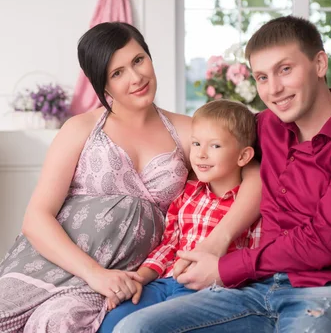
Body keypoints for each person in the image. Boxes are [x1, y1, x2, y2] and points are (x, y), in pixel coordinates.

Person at [114, 15, 331, 333]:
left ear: (320, 63)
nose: (274, 89)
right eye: (262, 77)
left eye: (285, 69)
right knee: (136, 328)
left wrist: (226, 266)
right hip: (256, 289)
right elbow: (216, 144)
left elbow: (326, 240)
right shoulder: (266, 128)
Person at [0, 22, 262, 333]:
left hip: (118, 277)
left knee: (57, 322)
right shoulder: (80, 128)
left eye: (138, 60)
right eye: (117, 73)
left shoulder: (187, 131)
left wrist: (218, 240)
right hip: (46, 266)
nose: (136, 78)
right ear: (102, 85)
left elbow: (253, 174)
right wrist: (93, 273)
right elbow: (36, 218)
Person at [99, 99, 262, 332]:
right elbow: (169, 246)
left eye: (215, 146)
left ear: (243, 156)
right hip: (166, 281)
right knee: (112, 322)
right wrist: (140, 278)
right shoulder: (188, 195)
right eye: (196, 144)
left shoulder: (247, 209)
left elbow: (250, 262)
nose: (201, 154)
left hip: (208, 289)